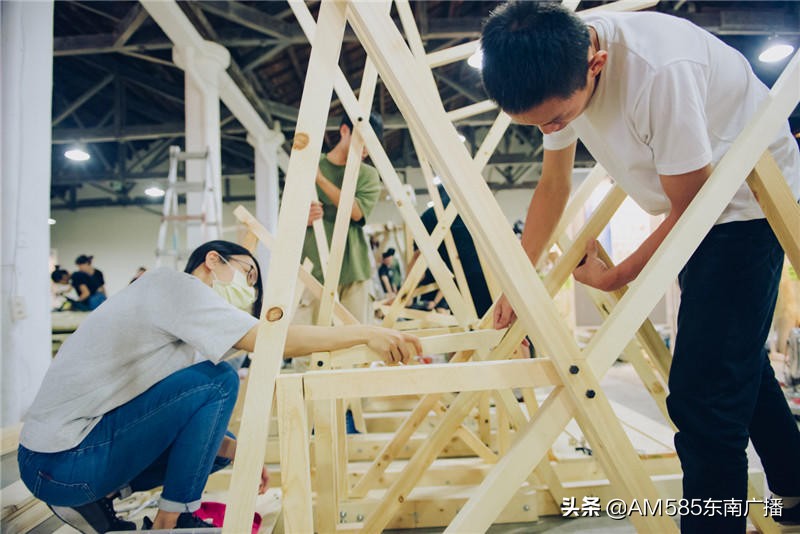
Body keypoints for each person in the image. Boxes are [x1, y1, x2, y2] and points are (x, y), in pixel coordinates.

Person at [481, 3, 800, 531]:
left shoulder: (660, 71)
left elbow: (695, 204)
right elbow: (553, 185)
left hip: (743, 205)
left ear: (597, 62)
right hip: (698, 204)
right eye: (539, 124)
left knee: (702, 403)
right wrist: (519, 282)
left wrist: (615, 275)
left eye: (558, 119)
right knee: (731, 358)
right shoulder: (554, 73)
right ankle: (794, 482)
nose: (553, 129)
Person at [18, 240, 421, 532]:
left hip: (59, 464)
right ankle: (171, 522)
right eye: (245, 271)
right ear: (213, 260)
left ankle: (99, 500)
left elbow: (175, 416)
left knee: (222, 444)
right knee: (220, 380)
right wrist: (363, 333)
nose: (247, 284)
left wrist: (240, 452)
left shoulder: (179, 327)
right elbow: (270, 340)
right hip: (63, 461)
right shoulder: (174, 287)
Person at [302, 112, 384, 324]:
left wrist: (320, 180)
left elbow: (356, 212)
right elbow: (286, 215)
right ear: (344, 130)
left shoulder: (367, 174)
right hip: (314, 271)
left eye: (370, 145)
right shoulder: (309, 163)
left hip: (353, 271)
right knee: (310, 344)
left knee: (354, 345)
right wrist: (304, 218)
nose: (365, 149)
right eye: (363, 141)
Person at [412, 185, 493, 318]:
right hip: (494, 276)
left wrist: (404, 296)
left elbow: (418, 264)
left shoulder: (430, 216)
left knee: (476, 328)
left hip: (464, 284)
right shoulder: (476, 211)